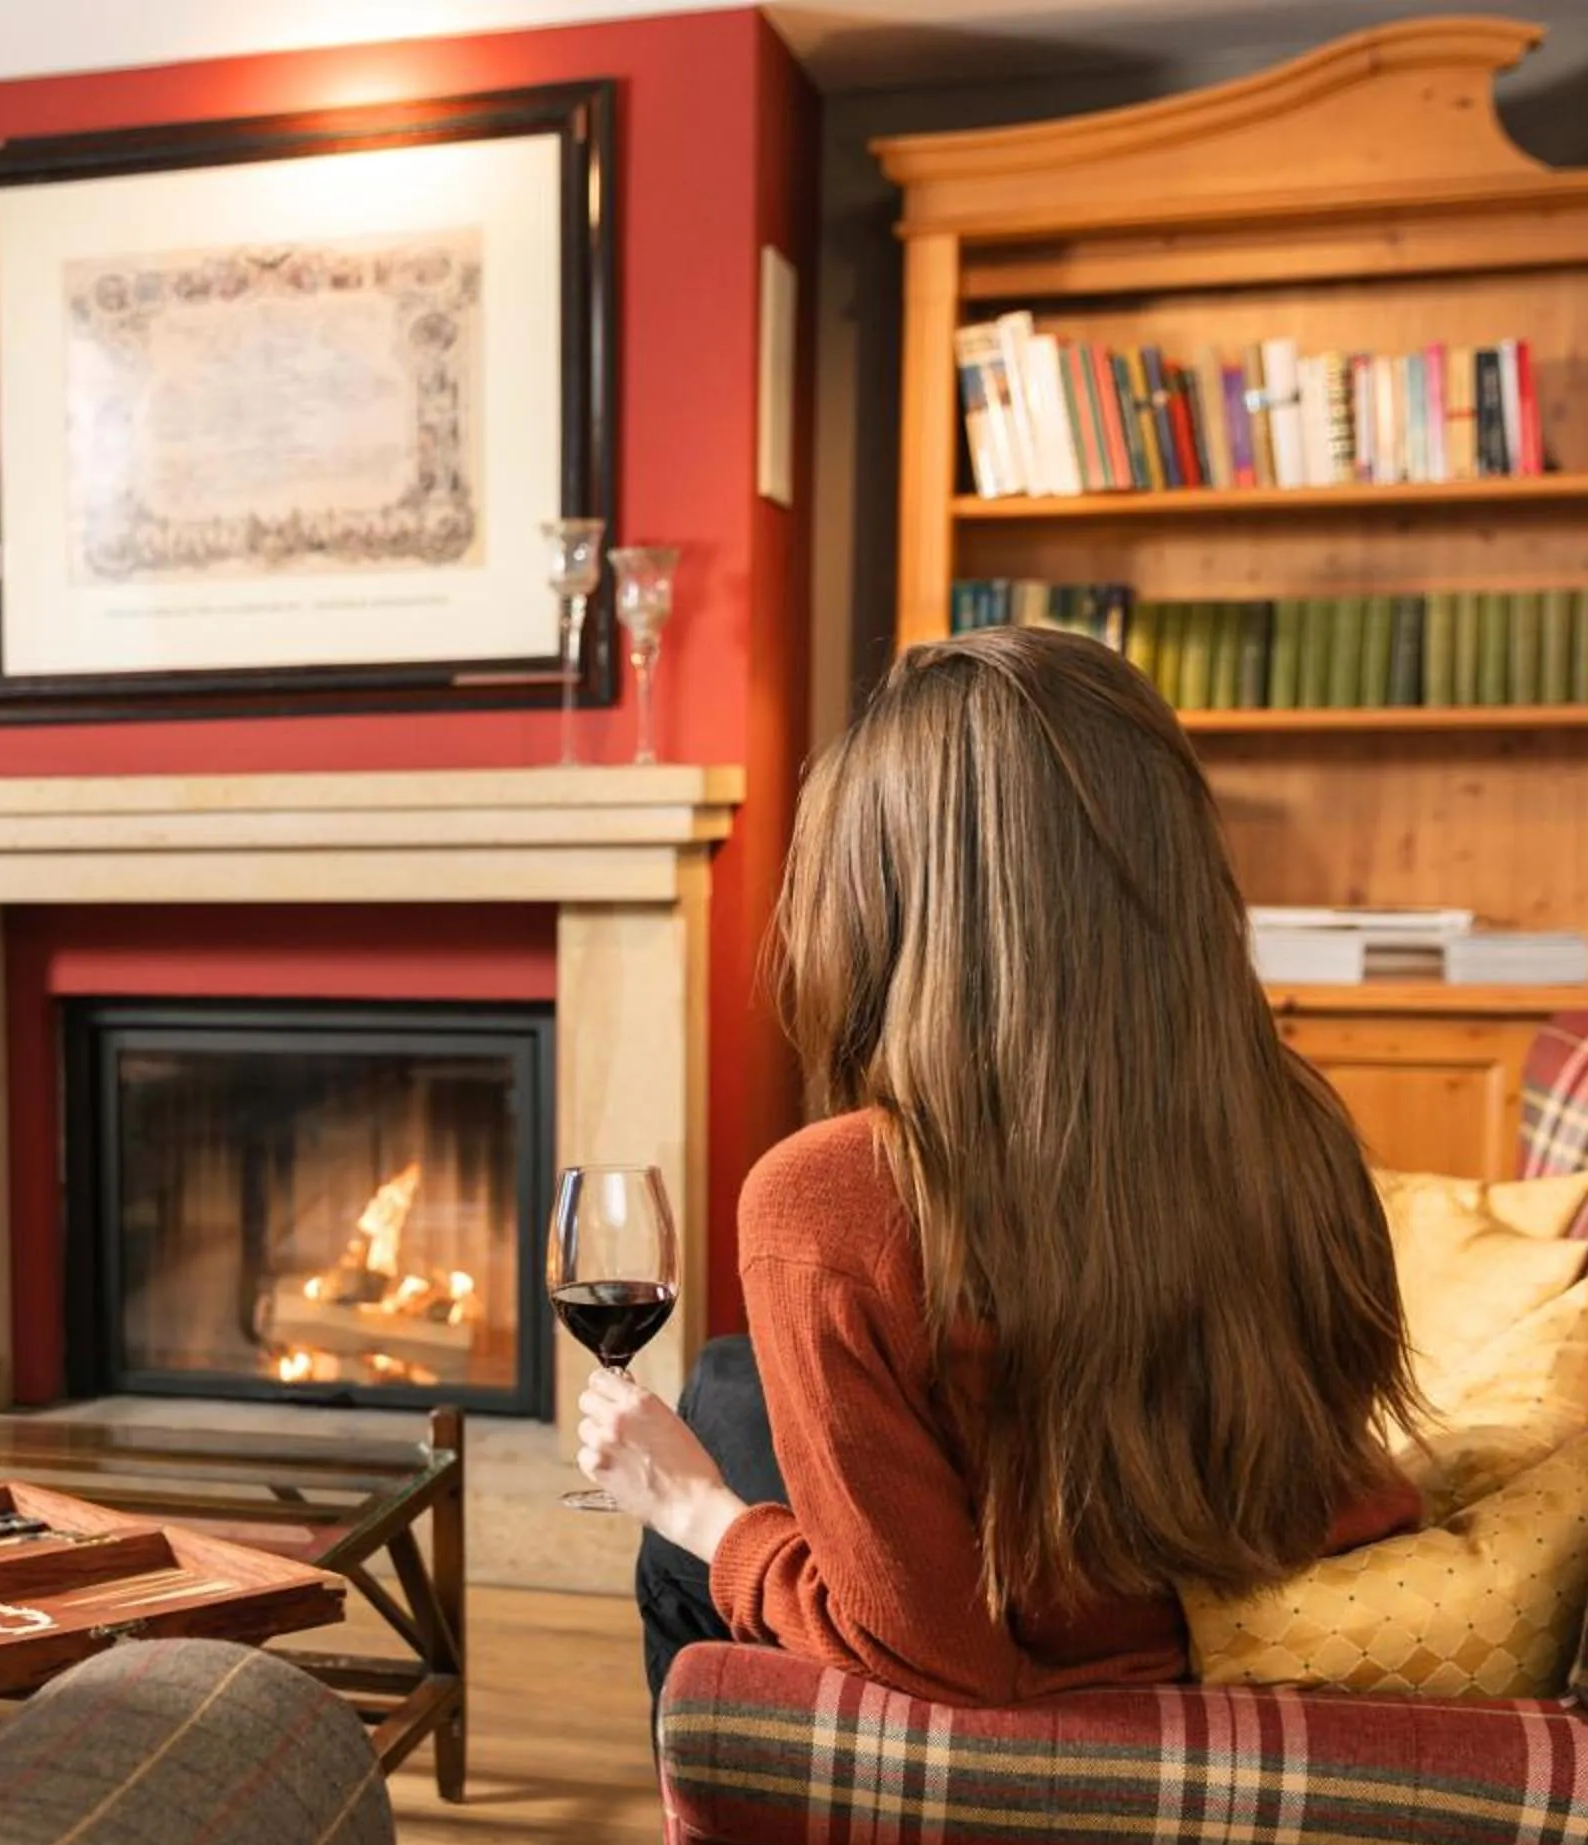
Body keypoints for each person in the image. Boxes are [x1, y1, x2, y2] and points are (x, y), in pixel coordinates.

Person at [583, 625, 1421, 1710]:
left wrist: (698, 1511)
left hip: (1042, 1668)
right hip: (1177, 1590)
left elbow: (935, 1656)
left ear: (881, 896)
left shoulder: (827, 1200)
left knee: (678, 1542)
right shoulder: (1296, 1120)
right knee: (729, 1378)